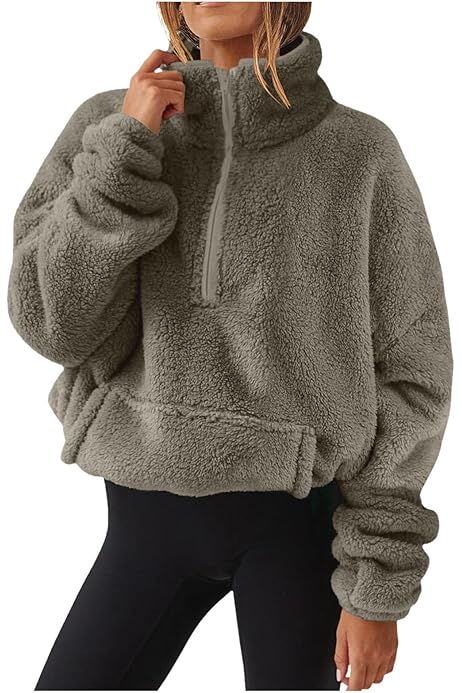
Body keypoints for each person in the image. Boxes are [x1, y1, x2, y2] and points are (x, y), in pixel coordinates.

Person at [6, 2, 453, 691]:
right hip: (142, 517)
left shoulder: (358, 152)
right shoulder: (111, 129)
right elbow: (50, 323)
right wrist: (126, 152)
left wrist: (376, 584)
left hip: (293, 526)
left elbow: (413, 372)